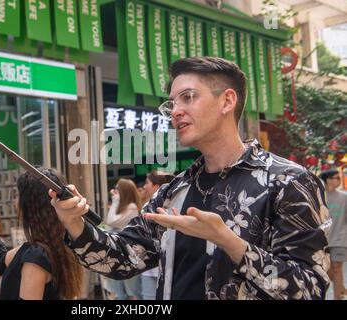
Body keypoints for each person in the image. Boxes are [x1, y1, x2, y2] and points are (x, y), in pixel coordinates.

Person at [50, 56, 331, 300]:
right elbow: (123, 258)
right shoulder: (174, 190)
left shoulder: (288, 182)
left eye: (188, 97)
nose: (175, 112)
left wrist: (228, 241)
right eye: (172, 103)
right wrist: (74, 222)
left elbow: (309, 289)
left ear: (227, 101)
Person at [0, 168, 82, 300]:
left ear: (31, 204)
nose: (15, 202)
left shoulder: (35, 258)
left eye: (18, 196)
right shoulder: (60, 243)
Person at [104, 179, 142, 300]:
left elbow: (111, 221)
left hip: (128, 254)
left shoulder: (132, 207)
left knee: (131, 290)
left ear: (123, 191)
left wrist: (115, 200)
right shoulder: (123, 207)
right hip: (119, 253)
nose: (114, 191)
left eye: (117, 189)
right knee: (118, 289)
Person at [140, 171, 175, 300]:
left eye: (147, 183)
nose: (144, 186)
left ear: (156, 186)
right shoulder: (147, 204)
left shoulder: (175, 203)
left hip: (167, 267)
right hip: (149, 269)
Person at [320, 169, 347, 300]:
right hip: (322, 241)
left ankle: (338, 297)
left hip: (340, 239)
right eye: (336, 177)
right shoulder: (319, 196)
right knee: (326, 271)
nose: (339, 179)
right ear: (328, 180)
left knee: (337, 268)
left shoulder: (344, 197)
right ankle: (341, 288)